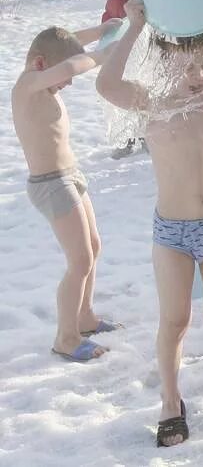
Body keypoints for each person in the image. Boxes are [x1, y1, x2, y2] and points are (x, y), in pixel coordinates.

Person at [96, 0, 203, 447]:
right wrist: (133, 27)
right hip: (171, 233)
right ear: (165, 64)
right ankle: (171, 402)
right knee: (174, 321)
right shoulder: (153, 103)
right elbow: (106, 85)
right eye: (186, 66)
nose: (197, 76)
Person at [13, 22, 123, 363]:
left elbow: (65, 45)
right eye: (63, 76)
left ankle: (84, 316)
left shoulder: (44, 73)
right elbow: (70, 63)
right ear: (42, 64)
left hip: (69, 176)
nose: (69, 82)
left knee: (93, 247)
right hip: (51, 184)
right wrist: (102, 55)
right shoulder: (29, 84)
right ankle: (66, 338)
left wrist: (103, 29)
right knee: (80, 260)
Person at [104, 0, 149, 159]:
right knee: (124, 98)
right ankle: (127, 138)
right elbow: (108, 27)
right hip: (125, 56)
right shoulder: (115, 2)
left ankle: (147, 136)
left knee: (145, 93)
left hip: (147, 53)